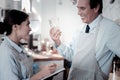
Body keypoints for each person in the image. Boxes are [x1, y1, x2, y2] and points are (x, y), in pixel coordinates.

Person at [49, 0, 120, 80]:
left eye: (82, 8)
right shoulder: (80, 28)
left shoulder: (111, 29)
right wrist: (58, 42)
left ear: (96, 7)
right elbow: (72, 55)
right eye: (78, 8)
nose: (78, 13)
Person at [0, 9, 57, 80]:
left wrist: (43, 69)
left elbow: (28, 69)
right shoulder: (7, 53)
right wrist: (41, 74)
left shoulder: (19, 48)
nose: (30, 29)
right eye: (28, 24)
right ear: (15, 27)